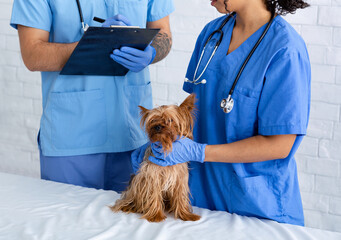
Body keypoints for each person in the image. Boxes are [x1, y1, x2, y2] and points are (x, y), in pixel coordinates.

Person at [132, 0, 311, 226]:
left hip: (256, 205)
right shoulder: (212, 34)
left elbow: (280, 145)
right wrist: (165, 140)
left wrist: (198, 151)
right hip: (201, 197)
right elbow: (196, 108)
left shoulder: (285, 49)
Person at [10, 0, 174, 192]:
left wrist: (152, 52)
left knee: (133, 218)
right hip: (71, 136)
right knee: (66, 218)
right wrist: (93, 45)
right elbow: (32, 55)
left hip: (132, 132)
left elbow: (163, 32)